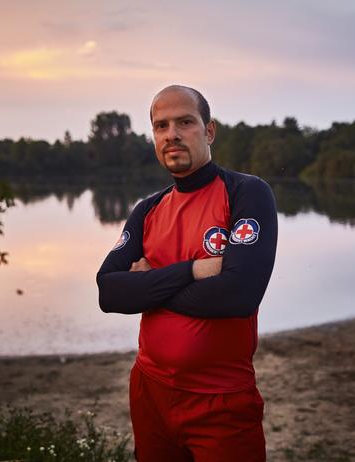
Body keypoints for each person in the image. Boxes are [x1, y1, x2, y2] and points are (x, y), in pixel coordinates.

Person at [96, 85, 278, 461]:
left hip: (220, 397)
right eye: (161, 126)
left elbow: (238, 295)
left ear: (208, 131)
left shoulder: (246, 192)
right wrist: (194, 270)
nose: (172, 134)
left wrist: (147, 284)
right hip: (150, 390)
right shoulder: (147, 209)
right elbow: (109, 293)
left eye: (185, 122)